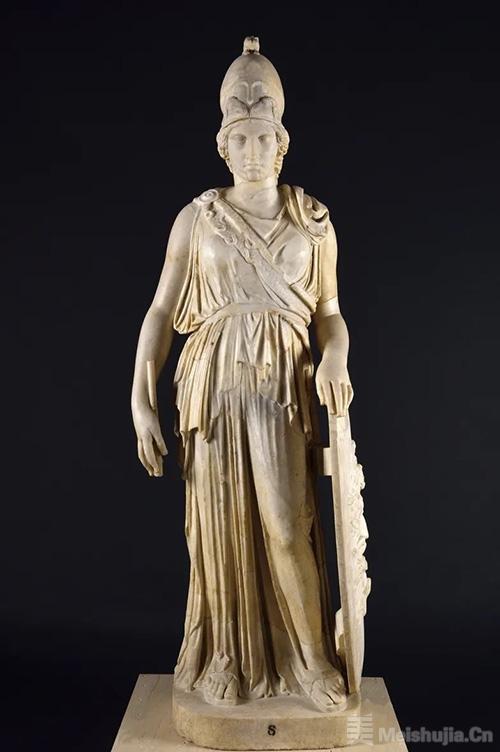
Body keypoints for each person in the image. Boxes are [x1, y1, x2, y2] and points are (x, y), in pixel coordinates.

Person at [131, 37, 354, 713]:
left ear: (281, 144)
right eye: (240, 137)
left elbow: (330, 313)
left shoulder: (313, 222)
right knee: (222, 531)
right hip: (213, 386)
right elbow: (161, 311)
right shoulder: (197, 220)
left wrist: (336, 355)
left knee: (287, 524)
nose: (253, 149)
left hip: (283, 385)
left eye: (264, 137)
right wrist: (140, 400)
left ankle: (311, 660)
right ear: (223, 145)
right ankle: (227, 655)